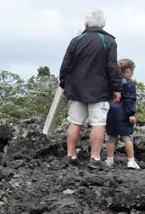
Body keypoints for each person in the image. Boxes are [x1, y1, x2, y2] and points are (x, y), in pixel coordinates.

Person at [59, 10, 122, 169]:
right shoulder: (108, 41)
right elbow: (112, 68)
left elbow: (65, 65)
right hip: (99, 90)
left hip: (76, 88)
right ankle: (94, 158)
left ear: (86, 24)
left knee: (75, 122)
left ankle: (70, 155)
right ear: (103, 25)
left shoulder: (75, 41)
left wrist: (64, 85)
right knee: (98, 123)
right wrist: (117, 88)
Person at [105, 58, 140, 169]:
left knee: (111, 137)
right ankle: (131, 161)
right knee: (127, 137)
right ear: (128, 71)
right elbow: (130, 100)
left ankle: (109, 160)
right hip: (123, 113)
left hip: (110, 112)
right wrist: (131, 114)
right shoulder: (129, 84)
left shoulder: (111, 83)